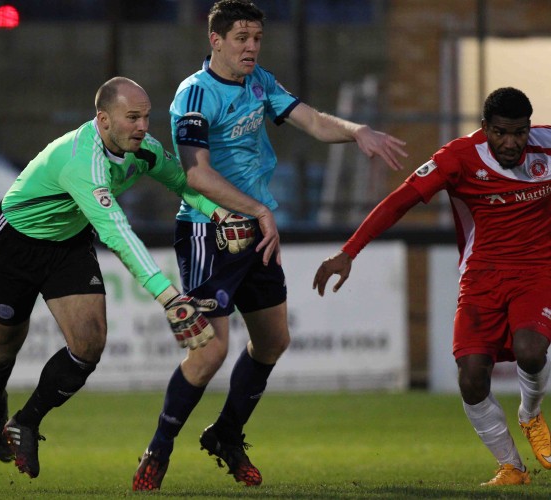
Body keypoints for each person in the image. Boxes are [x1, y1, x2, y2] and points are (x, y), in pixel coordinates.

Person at [132, 0, 408, 491]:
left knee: (273, 340)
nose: (251, 47)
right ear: (215, 41)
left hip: (257, 231)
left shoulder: (261, 83)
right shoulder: (193, 94)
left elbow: (317, 122)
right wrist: (258, 210)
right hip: (207, 231)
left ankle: (226, 435)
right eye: (241, 38)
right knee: (209, 352)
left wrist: (356, 130)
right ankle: (159, 448)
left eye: (257, 38)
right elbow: (196, 173)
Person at [313, 87, 551, 486]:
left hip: (538, 271)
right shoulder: (456, 159)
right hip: (481, 276)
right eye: (501, 132)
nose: (511, 142)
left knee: (530, 351)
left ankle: (530, 414)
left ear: (529, 127)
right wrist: (349, 252)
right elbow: (398, 201)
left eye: (519, 132)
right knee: (471, 376)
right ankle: (511, 467)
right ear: (485, 128)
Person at [0, 76, 253, 479]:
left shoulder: (145, 150)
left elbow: (184, 183)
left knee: (89, 343)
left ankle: (26, 422)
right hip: (14, 244)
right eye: (133, 118)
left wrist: (218, 213)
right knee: (4, 345)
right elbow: (115, 232)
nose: (143, 126)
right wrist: (170, 297)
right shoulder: (82, 160)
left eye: (146, 117)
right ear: (103, 120)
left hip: (68, 244)